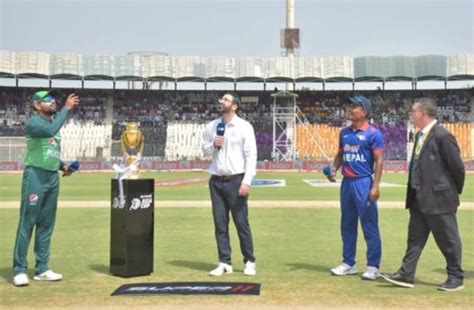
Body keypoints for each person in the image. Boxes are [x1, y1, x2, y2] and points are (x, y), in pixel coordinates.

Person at [382, 98, 465, 291]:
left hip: (440, 200)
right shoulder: (421, 135)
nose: (410, 114)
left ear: (424, 114)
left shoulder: (442, 136)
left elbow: (458, 168)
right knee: (415, 240)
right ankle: (406, 274)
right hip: (419, 199)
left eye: (413, 111)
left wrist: (450, 192)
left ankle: (456, 277)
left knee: (448, 240)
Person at [12, 90, 80, 287]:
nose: (52, 102)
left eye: (53, 100)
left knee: (46, 225)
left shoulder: (52, 125)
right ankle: (19, 270)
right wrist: (66, 109)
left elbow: (50, 152)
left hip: (52, 176)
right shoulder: (35, 124)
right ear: (36, 105)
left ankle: (42, 269)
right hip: (35, 175)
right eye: (47, 100)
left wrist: (63, 167)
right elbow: (51, 132)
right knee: (27, 223)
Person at [328, 96, 384, 280]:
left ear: (365, 112)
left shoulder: (373, 133)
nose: (350, 109)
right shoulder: (344, 132)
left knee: (369, 225)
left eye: (355, 107)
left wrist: (375, 186)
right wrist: (334, 169)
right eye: (350, 106)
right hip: (347, 183)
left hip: (363, 182)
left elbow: (379, 161)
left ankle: (373, 266)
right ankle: (348, 263)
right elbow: (340, 154)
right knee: (347, 224)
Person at [202, 92, 258, 276]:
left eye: (226, 99)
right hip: (216, 181)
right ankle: (224, 262)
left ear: (234, 106)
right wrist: (213, 145)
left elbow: (251, 155)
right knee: (220, 224)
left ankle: (249, 261)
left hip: (236, 181)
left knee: (241, 222)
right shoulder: (212, 126)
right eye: (221, 99)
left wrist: (247, 182)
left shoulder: (244, 127)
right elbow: (204, 150)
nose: (221, 101)